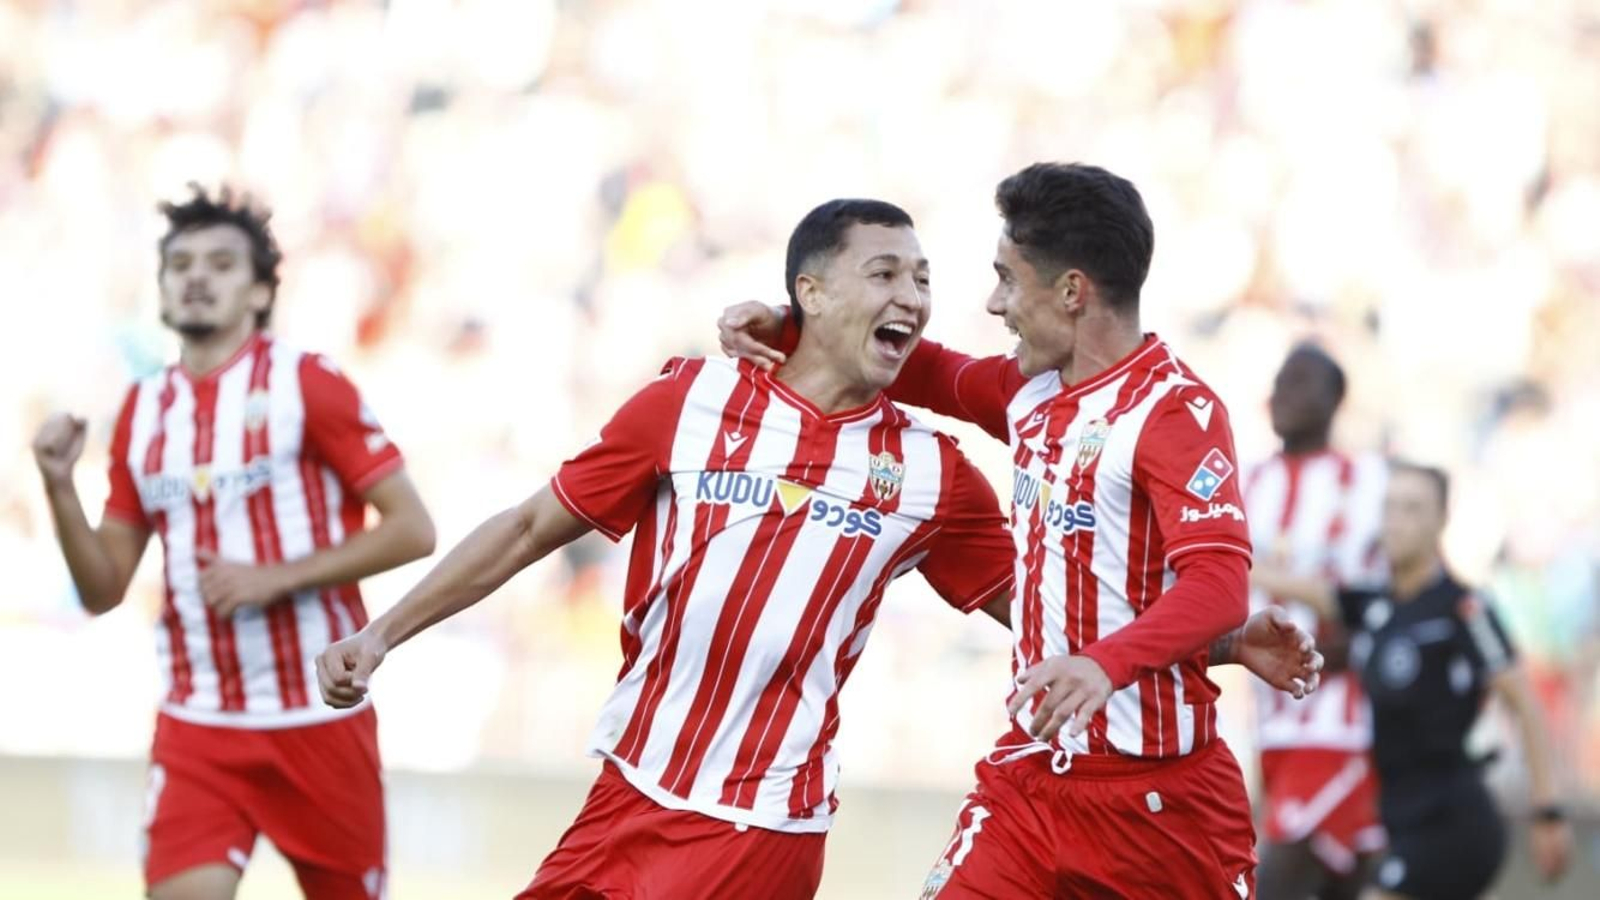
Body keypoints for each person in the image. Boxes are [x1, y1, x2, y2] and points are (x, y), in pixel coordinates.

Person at [318, 198, 1320, 900]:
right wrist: (383, 633)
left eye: (927, 278)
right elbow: (535, 524)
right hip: (628, 784)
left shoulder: (933, 475)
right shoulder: (689, 400)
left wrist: (1219, 646)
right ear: (812, 288)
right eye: (885, 273)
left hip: (760, 824)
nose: (923, 297)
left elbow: (1055, 613)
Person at [722, 163, 1282, 897]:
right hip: (1030, 784)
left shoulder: (1173, 413)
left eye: (1008, 280)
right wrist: (795, 318)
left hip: (1161, 807)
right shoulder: (1030, 393)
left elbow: (1218, 586)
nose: (994, 304)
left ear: (1072, 291)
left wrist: (1103, 664)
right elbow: (925, 372)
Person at [31, 185, 436, 900]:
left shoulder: (307, 383)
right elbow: (103, 589)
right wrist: (59, 486)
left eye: (220, 263)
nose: (195, 276)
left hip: (317, 719)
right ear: (159, 286)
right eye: (180, 263)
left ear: (257, 292)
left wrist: (275, 576)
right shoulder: (143, 410)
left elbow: (413, 527)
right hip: (199, 724)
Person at [1253, 462, 1573, 900]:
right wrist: (1236, 564)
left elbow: (1524, 702)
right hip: (1400, 820)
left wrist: (1547, 812)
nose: (1396, 521)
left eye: (1412, 508)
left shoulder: (1462, 609)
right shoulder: (1377, 605)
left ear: (1440, 520)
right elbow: (1316, 593)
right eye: (1389, 507)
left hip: (1453, 823)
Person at [1245, 344, 1387, 898]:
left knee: (1273, 882)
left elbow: (1391, 592)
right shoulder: (1246, 482)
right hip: (1270, 720)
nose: (1284, 393)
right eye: (1280, 381)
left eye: (1301, 382)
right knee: (1340, 883)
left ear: (1335, 400)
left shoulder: (1371, 480)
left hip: (1341, 721)